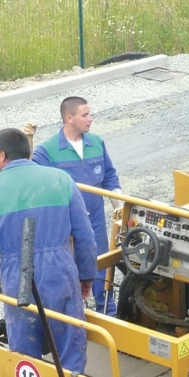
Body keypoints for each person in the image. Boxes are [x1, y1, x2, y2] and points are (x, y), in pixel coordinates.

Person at [0, 128, 107, 377]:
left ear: (2, 155)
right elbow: (85, 235)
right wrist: (86, 277)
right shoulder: (59, 181)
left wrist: (6, 273)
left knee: (25, 352)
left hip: (15, 275)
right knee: (70, 350)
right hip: (58, 272)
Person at [29, 96, 122, 316]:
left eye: (90, 113)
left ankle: (107, 311)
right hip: (66, 225)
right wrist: (28, 144)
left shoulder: (97, 143)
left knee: (99, 261)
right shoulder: (48, 150)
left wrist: (120, 206)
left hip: (96, 221)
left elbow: (110, 177)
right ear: (69, 118)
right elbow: (28, 174)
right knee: (67, 269)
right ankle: (72, 314)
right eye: (85, 114)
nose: (90, 118)